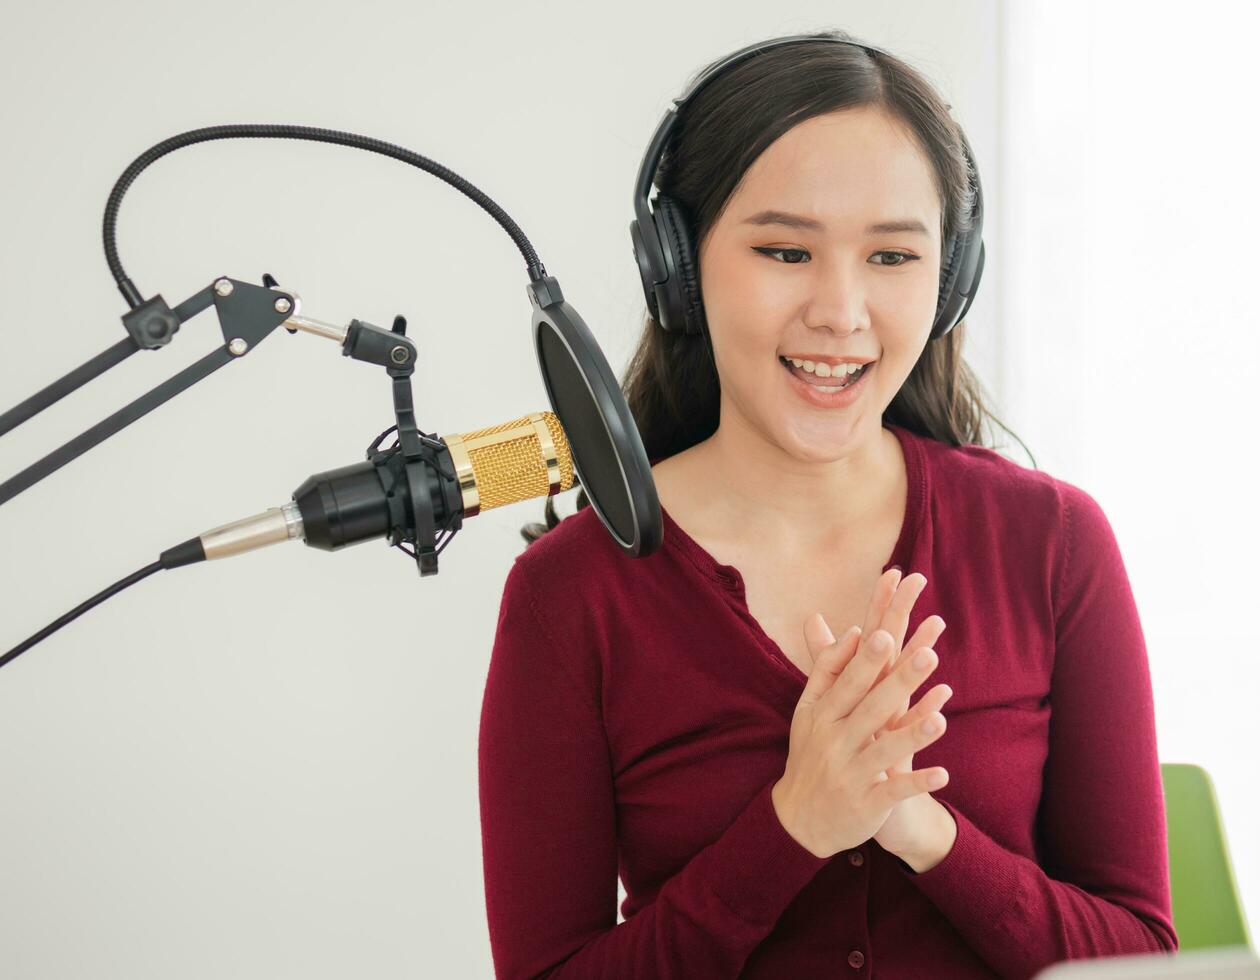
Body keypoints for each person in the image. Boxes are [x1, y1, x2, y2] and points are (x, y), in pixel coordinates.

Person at [478, 29, 1178, 979]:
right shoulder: (571, 596)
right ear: (677, 269)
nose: (842, 312)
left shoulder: (1052, 544)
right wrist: (795, 824)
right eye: (783, 250)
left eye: (892, 259)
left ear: (951, 277)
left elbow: (1144, 958)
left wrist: (920, 827)